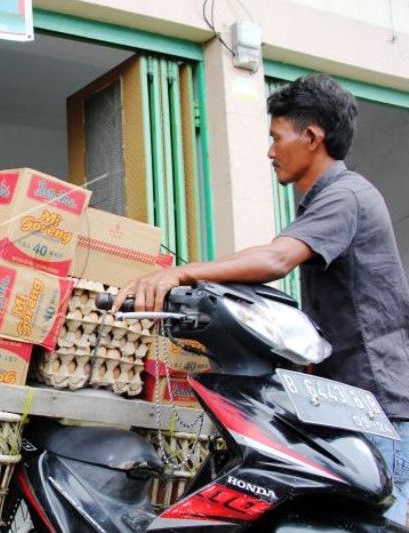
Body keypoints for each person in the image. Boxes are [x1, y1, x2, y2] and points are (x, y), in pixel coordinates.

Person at [117, 74, 409, 523]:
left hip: (380, 412)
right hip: (354, 405)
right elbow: (271, 254)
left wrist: (180, 272)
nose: (271, 152)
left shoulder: (346, 196)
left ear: (311, 138)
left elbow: (275, 259)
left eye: (277, 138)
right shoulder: (323, 201)